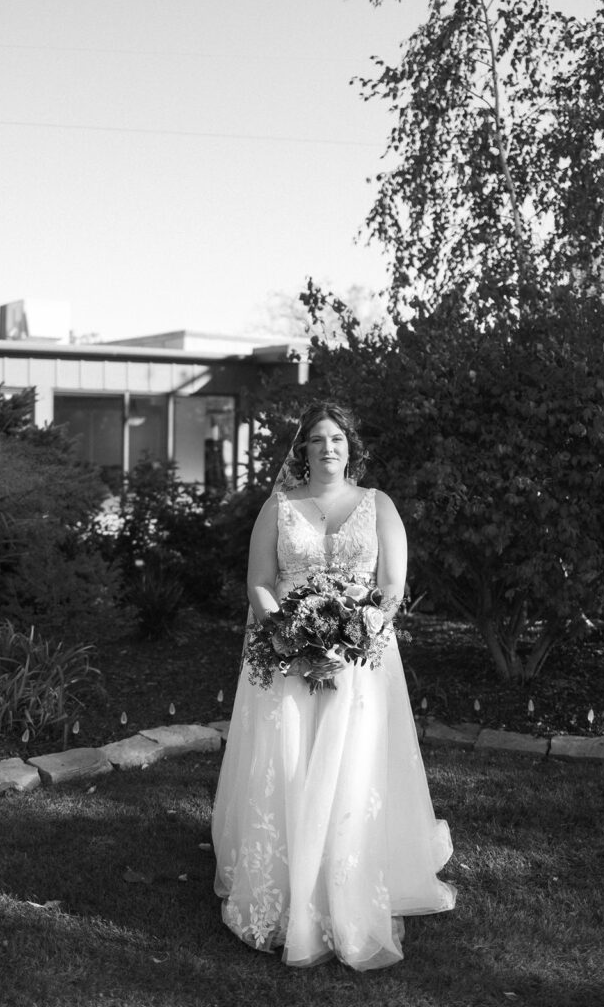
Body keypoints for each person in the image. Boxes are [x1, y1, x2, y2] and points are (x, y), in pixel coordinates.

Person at [211, 402, 455, 970]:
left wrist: (353, 638)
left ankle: (348, 882)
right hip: (286, 660)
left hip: (361, 660)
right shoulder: (278, 507)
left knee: (351, 770)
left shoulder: (380, 506)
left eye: (337, 439)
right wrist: (286, 637)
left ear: (351, 447)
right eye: (317, 439)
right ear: (303, 451)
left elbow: (392, 587)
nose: (328, 448)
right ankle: (287, 891)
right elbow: (260, 582)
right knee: (291, 765)